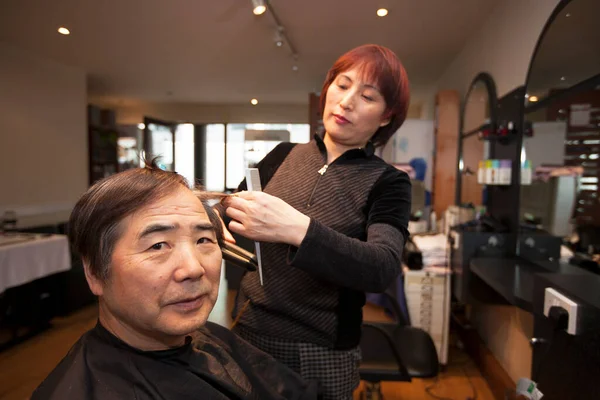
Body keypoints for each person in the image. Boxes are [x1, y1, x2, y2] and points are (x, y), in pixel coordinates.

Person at [31, 161, 320, 400]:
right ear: (95, 272)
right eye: (158, 245)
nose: (193, 268)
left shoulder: (213, 340)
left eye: (204, 239)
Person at [221, 44, 412, 400]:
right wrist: (214, 219)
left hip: (320, 351)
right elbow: (231, 209)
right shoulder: (282, 155)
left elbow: (382, 267)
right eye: (342, 85)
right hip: (248, 329)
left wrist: (296, 229)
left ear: (386, 117)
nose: (347, 102)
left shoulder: (388, 182)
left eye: (367, 96)